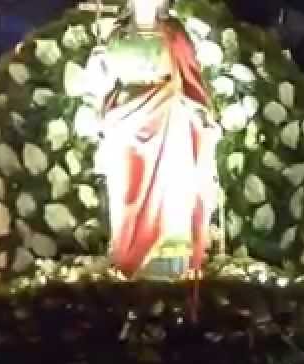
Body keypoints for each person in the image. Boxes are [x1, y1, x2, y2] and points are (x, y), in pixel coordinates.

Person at [94, 0, 221, 278]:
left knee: (170, 195)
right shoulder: (117, 34)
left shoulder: (174, 34)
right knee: (126, 193)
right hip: (126, 126)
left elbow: (191, 81)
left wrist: (201, 115)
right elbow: (107, 85)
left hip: (169, 123)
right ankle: (128, 260)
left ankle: (167, 267)